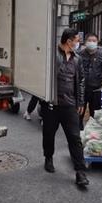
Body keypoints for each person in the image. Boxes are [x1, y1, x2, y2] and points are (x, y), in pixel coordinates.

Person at [41, 28, 89, 188]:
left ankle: (80, 172)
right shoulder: (51, 55)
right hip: (52, 105)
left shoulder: (77, 59)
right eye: (77, 40)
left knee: (75, 138)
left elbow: (81, 80)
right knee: (48, 134)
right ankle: (48, 157)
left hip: (70, 106)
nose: (78, 43)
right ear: (69, 41)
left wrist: (81, 102)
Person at [80, 33, 102, 121]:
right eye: (89, 40)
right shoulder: (79, 55)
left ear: (97, 42)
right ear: (85, 42)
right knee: (79, 114)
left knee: (95, 116)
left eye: (94, 41)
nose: (92, 42)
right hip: (82, 90)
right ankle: (78, 131)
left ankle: (93, 133)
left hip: (96, 90)